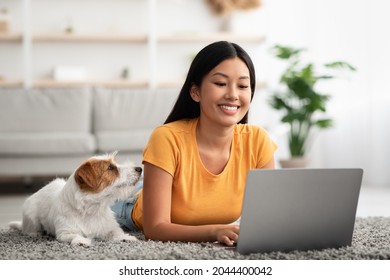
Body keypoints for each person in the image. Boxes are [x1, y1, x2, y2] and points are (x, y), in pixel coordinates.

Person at [112, 41, 277, 246]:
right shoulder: (167, 138)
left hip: (166, 185)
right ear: (195, 92)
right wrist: (215, 231)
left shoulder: (258, 140)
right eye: (220, 83)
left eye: (243, 85)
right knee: (76, 203)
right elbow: (154, 228)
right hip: (129, 203)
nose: (233, 94)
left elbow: (269, 219)